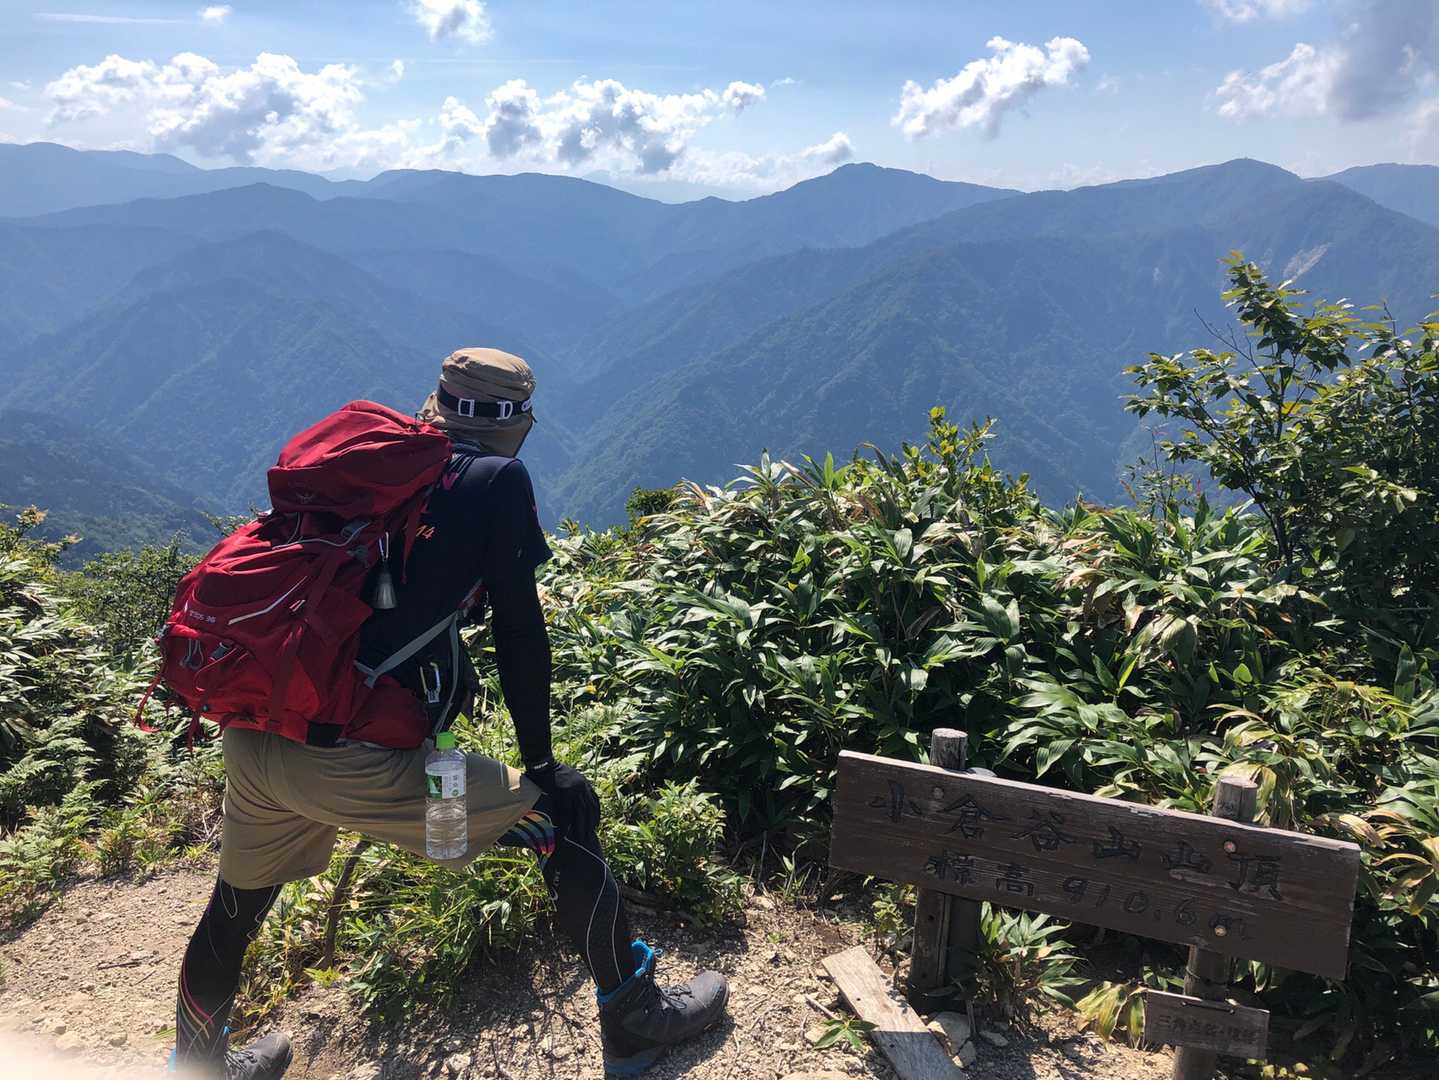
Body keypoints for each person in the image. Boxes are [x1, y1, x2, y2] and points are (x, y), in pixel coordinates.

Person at [170, 348, 729, 1079]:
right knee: (561, 822)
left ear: (435, 404)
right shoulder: (494, 479)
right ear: (518, 422)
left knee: (235, 909)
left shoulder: (372, 471)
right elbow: (520, 632)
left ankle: (198, 1067)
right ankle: (636, 1022)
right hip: (355, 762)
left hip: (259, 735)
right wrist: (542, 765)